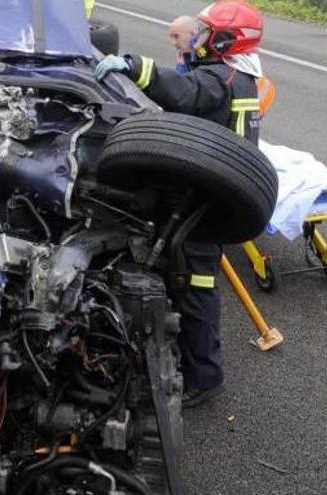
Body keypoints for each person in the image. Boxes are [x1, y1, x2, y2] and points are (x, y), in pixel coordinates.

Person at [95, 0, 264, 408]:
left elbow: (184, 92)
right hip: (217, 196)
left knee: (196, 288)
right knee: (187, 279)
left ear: (226, 40)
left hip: (207, 204)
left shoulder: (218, 79)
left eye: (206, 34)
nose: (199, 39)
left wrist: (134, 66)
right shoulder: (238, 74)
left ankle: (203, 377)